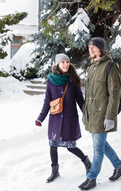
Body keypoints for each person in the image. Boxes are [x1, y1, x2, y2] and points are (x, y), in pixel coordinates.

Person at [78, 37, 121, 190]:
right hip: (92, 114)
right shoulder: (91, 67)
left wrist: (110, 117)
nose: (90, 49)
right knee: (102, 145)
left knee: (98, 149)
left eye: (94, 47)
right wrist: (85, 113)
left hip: (103, 114)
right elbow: (88, 94)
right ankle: (119, 167)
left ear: (101, 49)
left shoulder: (110, 66)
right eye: (89, 46)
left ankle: (91, 178)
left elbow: (115, 93)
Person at [36, 53, 91, 183]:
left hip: (69, 119)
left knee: (71, 146)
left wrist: (87, 113)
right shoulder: (50, 79)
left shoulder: (73, 79)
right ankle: (55, 171)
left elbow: (80, 99)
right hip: (55, 118)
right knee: (53, 146)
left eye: (67, 62)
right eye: (63, 62)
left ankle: (87, 162)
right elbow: (47, 100)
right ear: (57, 64)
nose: (66, 64)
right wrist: (40, 118)